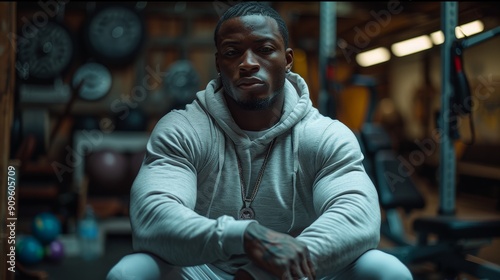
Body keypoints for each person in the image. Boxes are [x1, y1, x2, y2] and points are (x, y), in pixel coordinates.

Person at [107, 2, 413, 280]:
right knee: (128, 273)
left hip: (295, 270)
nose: (248, 62)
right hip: (204, 271)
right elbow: (153, 216)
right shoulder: (183, 129)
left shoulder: (325, 135)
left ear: (288, 59)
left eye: (264, 49)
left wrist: (264, 271)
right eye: (232, 52)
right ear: (219, 63)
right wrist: (245, 237)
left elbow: (357, 215)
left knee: (387, 270)